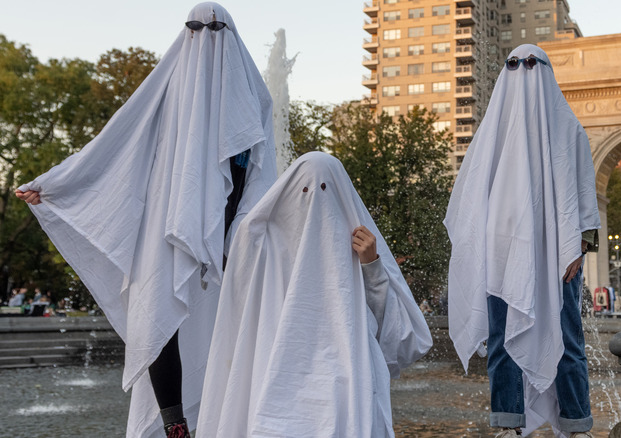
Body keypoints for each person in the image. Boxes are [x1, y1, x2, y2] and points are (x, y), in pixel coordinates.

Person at [15, 3, 276, 437]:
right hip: (165, 223)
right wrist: (55, 185)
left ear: (230, 34)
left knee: (225, 319)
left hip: (233, 230)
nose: (204, 37)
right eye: (195, 29)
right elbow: (115, 143)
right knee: (157, 310)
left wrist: (251, 227)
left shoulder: (255, 96)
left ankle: (225, 414)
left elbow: (265, 171)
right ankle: (174, 423)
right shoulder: (165, 89)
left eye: (213, 29)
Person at [197, 152, 432, 438]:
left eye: (326, 190)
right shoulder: (263, 246)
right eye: (306, 191)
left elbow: (401, 340)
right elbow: (237, 323)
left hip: (344, 387)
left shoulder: (360, 247)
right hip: (275, 387)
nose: (316, 205)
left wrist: (372, 267)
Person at [445, 45, 600, 438]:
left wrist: (579, 247)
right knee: (502, 339)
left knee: (567, 339)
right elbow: (472, 197)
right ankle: (508, 423)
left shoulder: (569, 129)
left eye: (532, 64)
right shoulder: (492, 131)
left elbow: (584, 194)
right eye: (514, 64)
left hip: (558, 255)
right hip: (501, 253)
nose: (523, 71)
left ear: (546, 70)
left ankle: (577, 424)